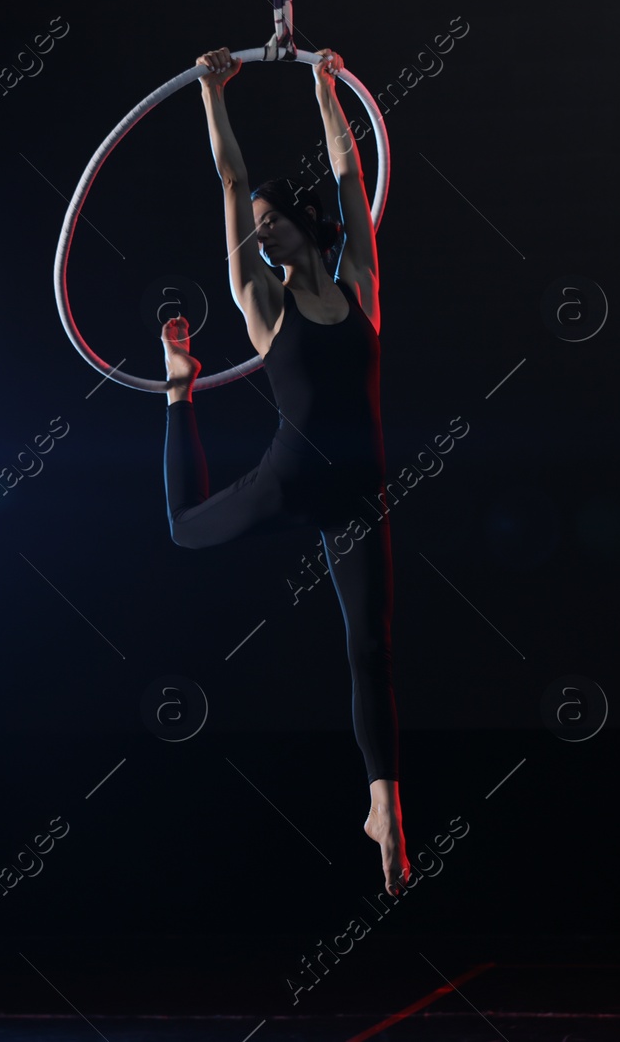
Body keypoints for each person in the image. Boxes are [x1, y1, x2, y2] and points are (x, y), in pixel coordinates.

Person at [159, 45, 410, 896]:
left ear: (301, 222)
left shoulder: (359, 282)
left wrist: (324, 87)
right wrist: (209, 93)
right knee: (184, 530)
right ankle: (179, 394)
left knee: (369, 645)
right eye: (256, 225)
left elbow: (348, 171)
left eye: (271, 218)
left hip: (357, 495)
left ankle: (383, 805)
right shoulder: (262, 304)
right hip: (290, 479)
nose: (260, 229)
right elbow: (228, 182)